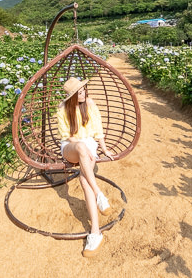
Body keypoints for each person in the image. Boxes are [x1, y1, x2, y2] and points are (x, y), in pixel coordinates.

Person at [57, 77, 114, 257]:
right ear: (72, 95)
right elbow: (67, 136)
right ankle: (99, 194)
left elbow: (98, 130)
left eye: (83, 90)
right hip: (71, 146)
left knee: (84, 179)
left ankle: (95, 233)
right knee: (81, 146)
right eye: (79, 92)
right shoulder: (63, 108)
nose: (83, 94)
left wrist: (103, 148)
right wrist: (83, 149)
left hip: (89, 144)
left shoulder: (89, 103)